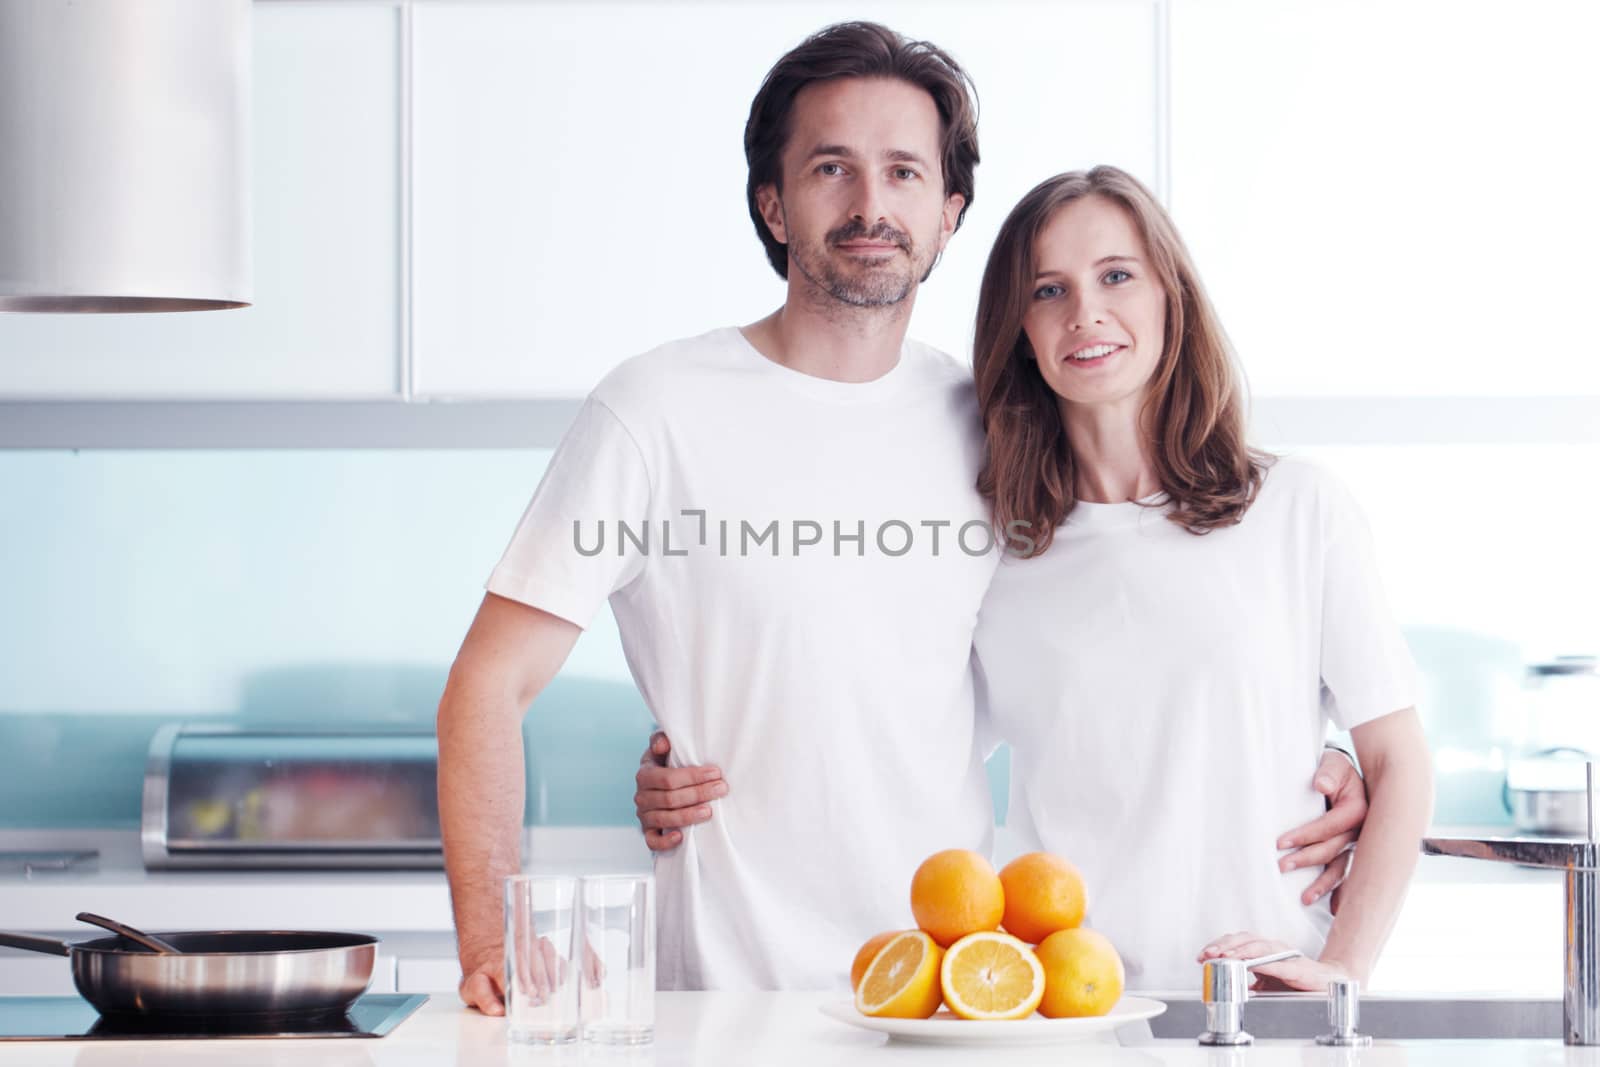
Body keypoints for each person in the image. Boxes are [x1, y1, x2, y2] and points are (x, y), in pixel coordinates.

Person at [441, 22, 1366, 1009]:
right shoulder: (653, 411)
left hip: (961, 994)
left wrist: (1311, 756)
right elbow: (489, 683)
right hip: (729, 996)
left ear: (950, 210)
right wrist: (490, 935)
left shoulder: (1000, 428)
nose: (870, 205)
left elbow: (1121, 629)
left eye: (904, 173)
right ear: (773, 203)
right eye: (831, 168)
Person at [968, 166, 1433, 991]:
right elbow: (892, 736)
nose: (1086, 314)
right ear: (1021, 333)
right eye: (1048, 290)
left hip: (1269, 1005)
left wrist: (1339, 973)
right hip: (1074, 1014)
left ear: (1170, 297)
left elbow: (1398, 761)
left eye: (1117, 275)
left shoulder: (1297, 508)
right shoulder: (996, 555)